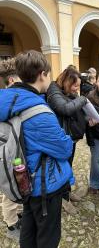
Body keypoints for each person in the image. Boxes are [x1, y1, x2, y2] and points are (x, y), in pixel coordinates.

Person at [0, 50, 74, 248]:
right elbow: (64, 149)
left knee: (29, 230)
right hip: (44, 185)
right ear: (42, 74)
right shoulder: (38, 112)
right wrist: (66, 137)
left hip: (23, 179)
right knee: (48, 238)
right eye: (49, 74)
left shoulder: (9, 101)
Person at [47, 65, 88, 213]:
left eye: (78, 86)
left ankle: (67, 193)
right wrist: (83, 99)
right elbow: (65, 109)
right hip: (61, 138)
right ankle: (63, 200)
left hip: (70, 137)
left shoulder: (67, 92)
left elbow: (75, 110)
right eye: (75, 86)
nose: (76, 89)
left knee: (68, 167)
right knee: (62, 168)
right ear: (67, 82)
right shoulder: (53, 92)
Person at [0, 58, 22, 240]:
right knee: (9, 189)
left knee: (18, 182)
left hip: (15, 150)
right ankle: (11, 224)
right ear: (13, 81)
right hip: (7, 150)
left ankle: (18, 215)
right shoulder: (7, 98)